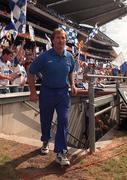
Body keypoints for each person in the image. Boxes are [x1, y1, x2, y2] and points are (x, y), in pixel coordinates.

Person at [28, 28, 77, 166]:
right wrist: (32, 91)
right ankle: (45, 141)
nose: (61, 40)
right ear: (53, 40)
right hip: (47, 92)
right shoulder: (44, 57)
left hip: (63, 93)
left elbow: (71, 71)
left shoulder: (70, 57)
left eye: (63, 38)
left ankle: (61, 152)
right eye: (58, 38)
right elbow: (30, 72)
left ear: (66, 41)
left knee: (63, 120)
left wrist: (73, 84)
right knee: (46, 120)